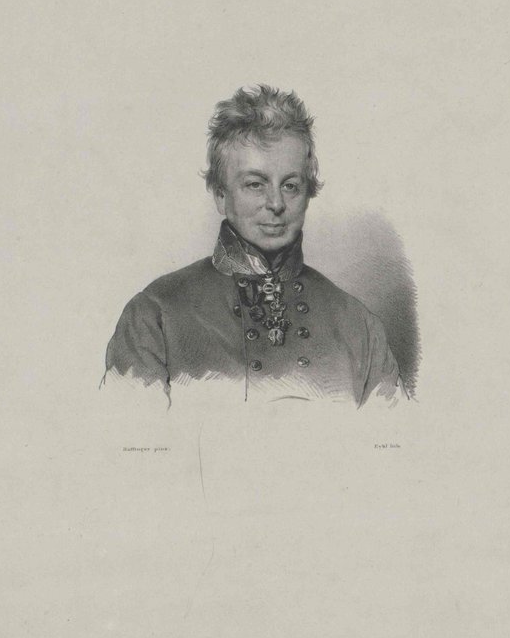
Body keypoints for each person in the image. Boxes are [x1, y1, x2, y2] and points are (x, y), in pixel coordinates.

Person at [104, 84, 405, 406]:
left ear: (308, 194)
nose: (276, 203)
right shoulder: (154, 314)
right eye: (255, 184)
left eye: (290, 185)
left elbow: (391, 434)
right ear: (221, 195)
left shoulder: (358, 325)